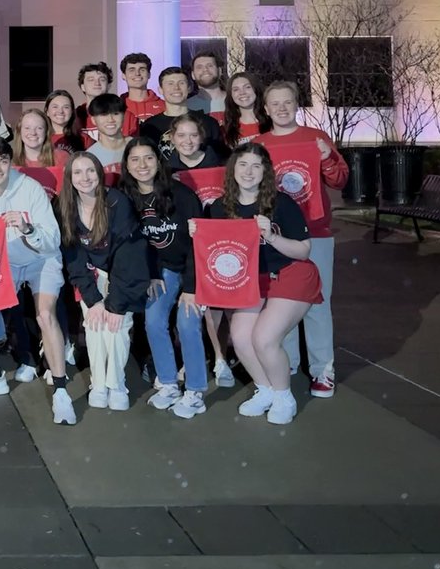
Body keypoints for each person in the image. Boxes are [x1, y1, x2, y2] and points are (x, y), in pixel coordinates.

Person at [195, 143, 320, 424]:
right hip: (252, 281)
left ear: (265, 171)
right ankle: (266, 390)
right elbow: (216, 249)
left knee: (264, 339)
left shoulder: (281, 202)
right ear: (232, 170)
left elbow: (304, 251)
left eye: (256, 165)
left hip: (291, 273)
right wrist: (198, 232)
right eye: (242, 164)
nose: (248, 171)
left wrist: (272, 237)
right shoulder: (219, 207)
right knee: (240, 338)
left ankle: (284, 396)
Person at [0, 139, 76, 424]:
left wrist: (28, 228)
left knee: (45, 315)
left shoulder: (30, 188)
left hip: (41, 259)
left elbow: (52, 243)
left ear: (10, 162)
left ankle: (61, 392)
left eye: (2, 161)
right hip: (5, 264)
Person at [256, 80, 349, 399]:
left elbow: (340, 179)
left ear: (297, 105)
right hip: (275, 234)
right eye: (275, 104)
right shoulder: (260, 144)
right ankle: (289, 362)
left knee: (316, 302)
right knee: (280, 301)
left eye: (287, 102)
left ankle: (323, 369)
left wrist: (326, 158)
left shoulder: (316, 138)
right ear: (266, 109)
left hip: (316, 230)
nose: (282, 108)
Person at [119, 136, 208, 420]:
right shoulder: (126, 198)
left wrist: (192, 288)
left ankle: (195, 391)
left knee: (187, 321)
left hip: (193, 266)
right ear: (127, 165)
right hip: (162, 269)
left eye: (148, 157)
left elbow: (199, 243)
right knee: (154, 319)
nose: (142, 165)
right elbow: (138, 244)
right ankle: (168, 384)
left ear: (159, 161)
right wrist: (153, 274)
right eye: (135, 159)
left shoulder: (182, 195)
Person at [58, 152, 149, 411]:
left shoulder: (117, 203)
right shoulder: (64, 206)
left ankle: (117, 383)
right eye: (77, 172)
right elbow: (73, 257)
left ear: (99, 173)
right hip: (90, 275)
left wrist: (115, 304)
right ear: (69, 178)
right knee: (94, 324)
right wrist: (93, 299)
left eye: (90, 171)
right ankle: (98, 383)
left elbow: (128, 257)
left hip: (124, 275)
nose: (85, 177)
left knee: (117, 325)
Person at [139, 67, 224, 161]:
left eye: (181, 83)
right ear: (160, 90)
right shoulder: (150, 127)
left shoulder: (208, 123)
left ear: (189, 88)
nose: (176, 88)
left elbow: (218, 159)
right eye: (170, 83)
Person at [76, 63, 139, 143]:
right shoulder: (76, 117)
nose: (97, 83)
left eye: (102, 79)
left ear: (109, 85)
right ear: (82, 87)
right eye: (91, 80)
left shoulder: (126, 116)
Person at [85, 94, 132, 176]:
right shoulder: (90, 157)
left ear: (124, 116)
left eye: (116, 113)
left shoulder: (137, 147)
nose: (110, 120)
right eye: (104, 114)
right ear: (93, 120)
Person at [222, 72, 272, 148]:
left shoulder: (272, 121)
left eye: (247, 87)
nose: (242, 92)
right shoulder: (227, 128)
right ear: (231, 95)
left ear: (256, 89)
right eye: (236, 89)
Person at [120, 53, 166, 122]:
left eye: (142, 70)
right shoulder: (117, 107)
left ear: (149, 74)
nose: (137, 73)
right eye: (132, 70)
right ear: (123, 75)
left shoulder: (164, 106)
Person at [187, 50, 228, 118]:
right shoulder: (187, 107)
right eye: (199, 67)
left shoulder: (236, 101)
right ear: (193, 75)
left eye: (210, 65)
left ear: (220, 71)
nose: (205, 69)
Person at [43, 89, 83, 155]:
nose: (60, 111)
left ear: (72, 111)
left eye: (66, 107)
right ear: (47, 111)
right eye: (55, 107)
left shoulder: (84, 139)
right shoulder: (39, 138)